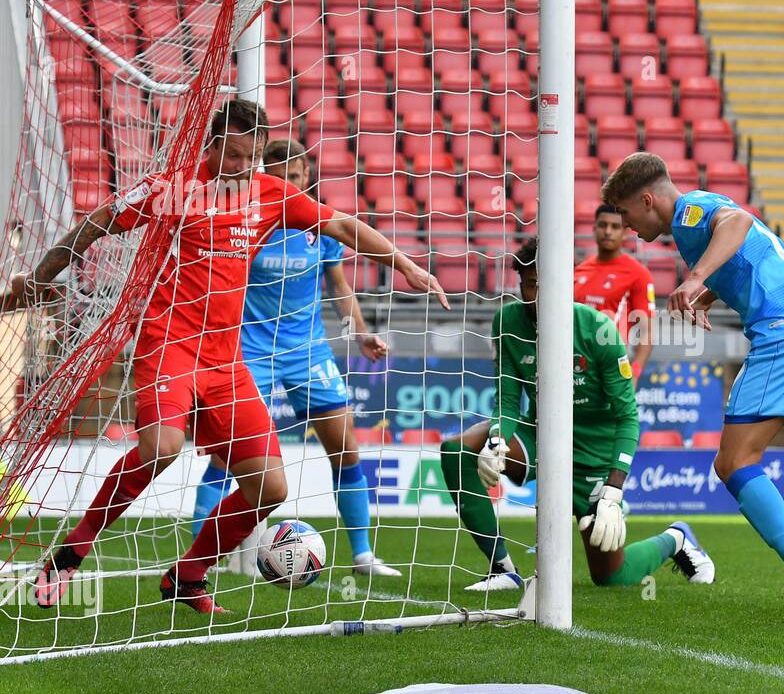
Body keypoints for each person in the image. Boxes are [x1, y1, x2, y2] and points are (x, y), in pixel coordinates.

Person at [4, 100, 446, 612]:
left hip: (225, 360)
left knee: (270, 487)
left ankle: (187, 576)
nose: (241, 167)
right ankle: (70, 555)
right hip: (168, 344)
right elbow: (97, 224)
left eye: (250, 158)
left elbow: (344, 227)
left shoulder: (270, 194)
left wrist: (408, 266)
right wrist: (38, 280)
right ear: (212, 145)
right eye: (233, 155)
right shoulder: (173, 189)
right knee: (163, 447)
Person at [601, 152, 784, 622]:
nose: (626, 227)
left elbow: (738, 221)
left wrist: (697, 276)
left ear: (646, 199)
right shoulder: (697, 218)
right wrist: (708, 291)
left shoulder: (691, 211)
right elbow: (744, 258)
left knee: (733, 461)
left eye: (625, 215)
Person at [438, 236, 714, 592]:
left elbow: (628, 416)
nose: (536, 294)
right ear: (520, 284)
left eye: (544, 284)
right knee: (457, 451)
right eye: (529, 285)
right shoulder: (507, 322)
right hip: (539, 436)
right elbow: (507, 402)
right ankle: (502, 569)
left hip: (594, 454)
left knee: (612, 577)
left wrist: (614, 489)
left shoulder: (597, 331)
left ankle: (677, 538)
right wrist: (496, 441)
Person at [190, 138, 399, 578]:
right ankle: (200, 558)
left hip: (307, 350)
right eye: (281, 175)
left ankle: (362, 554)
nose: (290, 183)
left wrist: (360, 334)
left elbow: (338, 288)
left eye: (297, 175)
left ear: (308, 178)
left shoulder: (318, 227)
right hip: (249, 350)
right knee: (228, 458)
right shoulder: (246, 222)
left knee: (345, 448)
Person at [573, 203, 655, 383]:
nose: (608, 231)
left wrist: (635, 373)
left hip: (613, 366)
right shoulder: (579, 270)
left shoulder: (638, 274)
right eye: (603, 225)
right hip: (576, 366)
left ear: (625, 231)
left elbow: (646, 332)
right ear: (594, 228)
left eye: (615, 226)